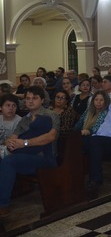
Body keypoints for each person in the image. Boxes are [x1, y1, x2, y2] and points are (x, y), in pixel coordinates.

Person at [0, 86, 59, 217]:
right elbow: (13, 137)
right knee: (4, 157)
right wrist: (8, 142)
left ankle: (2, 205)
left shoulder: (51, 115)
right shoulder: (24, 119)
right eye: (28, 98)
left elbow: (50, 137)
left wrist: (25, 143)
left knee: (9, 161)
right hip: (25, 156)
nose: (30, 101)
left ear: (42, 100)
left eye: (34, 98)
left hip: (44, 158)